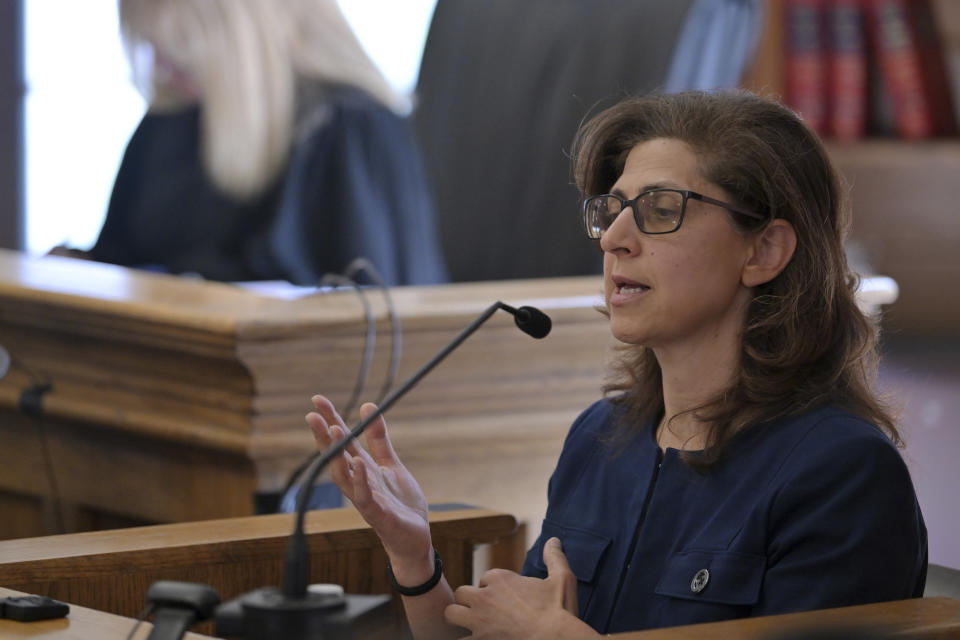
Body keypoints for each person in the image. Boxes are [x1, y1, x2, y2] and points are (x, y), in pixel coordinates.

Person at [305, 90, 927, 638]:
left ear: (763, 250)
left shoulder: (841, 473)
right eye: (613, 209)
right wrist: (415, 556)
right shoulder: (598, 438)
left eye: (660, 209)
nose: (613, 238)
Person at [56, 0, 447, 286]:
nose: (160, 69)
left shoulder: (350, 130)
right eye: (153, 49)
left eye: (178, 51)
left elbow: (373, 319)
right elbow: (119, 256)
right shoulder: (170, 121)